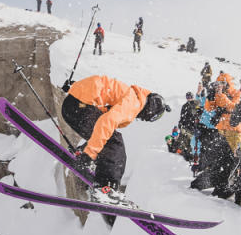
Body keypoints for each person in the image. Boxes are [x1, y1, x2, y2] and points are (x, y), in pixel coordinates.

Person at [62, 76, 170, 208]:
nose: (145, 119)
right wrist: (90, 154)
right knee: (115, 143)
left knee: (108, 137)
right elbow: (106, 122)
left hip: (74, 105)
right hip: (79, 107)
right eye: (151, 118)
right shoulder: (134, 102)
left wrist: (73, 87)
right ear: (150, 109)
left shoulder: (129, 94)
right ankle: (106, 188)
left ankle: (84, 153)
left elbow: (100, 89)